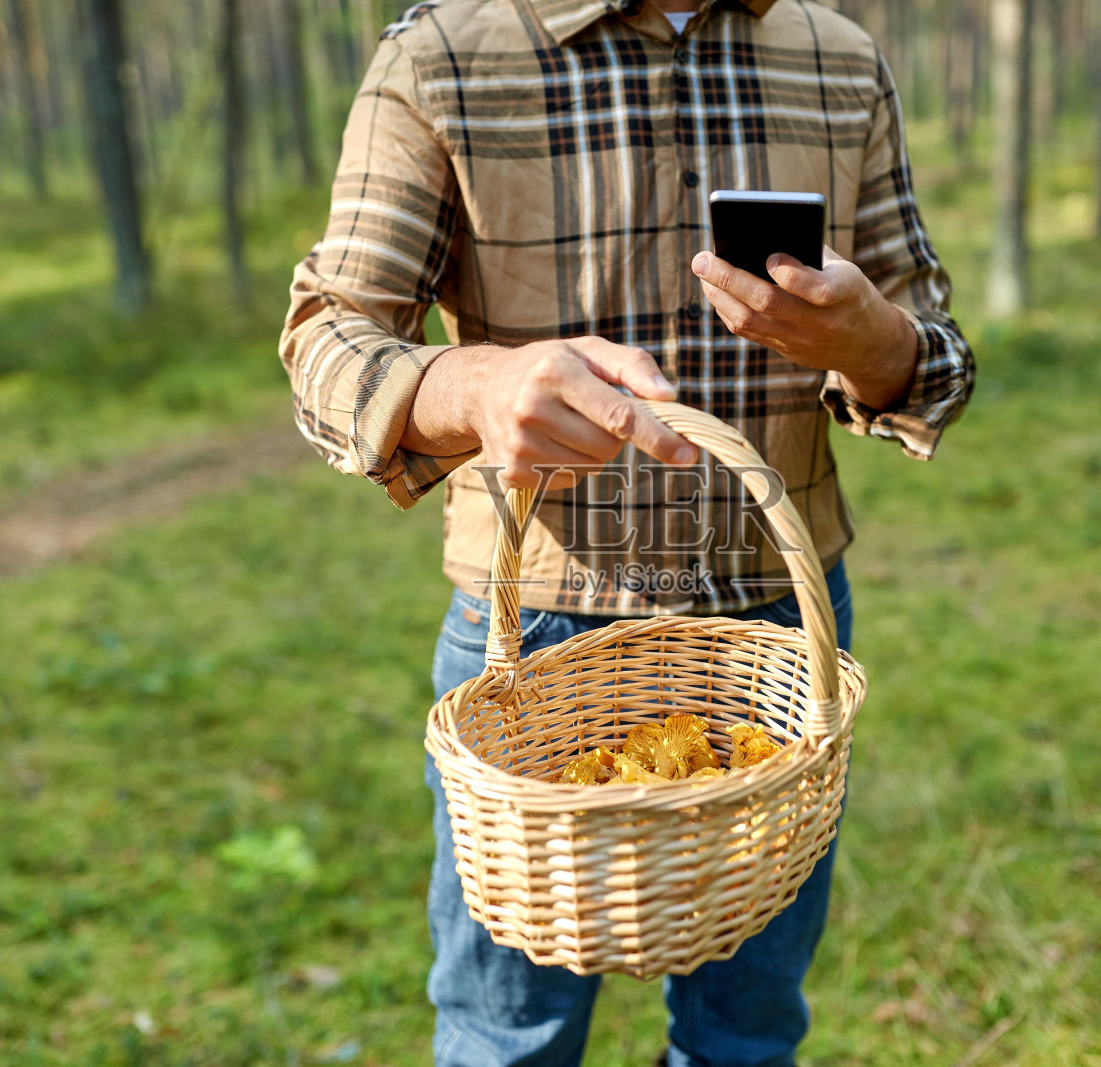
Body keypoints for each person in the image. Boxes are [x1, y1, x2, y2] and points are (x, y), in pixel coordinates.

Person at [278, 0, 974, 1063]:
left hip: (783, 633)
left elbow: (933, 358)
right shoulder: (447, 54)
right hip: (538, 640)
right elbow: (328, 337)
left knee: (746, 1033)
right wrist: (478, 384)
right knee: (508, 1034)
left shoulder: (836, 59)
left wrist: (869, 336)